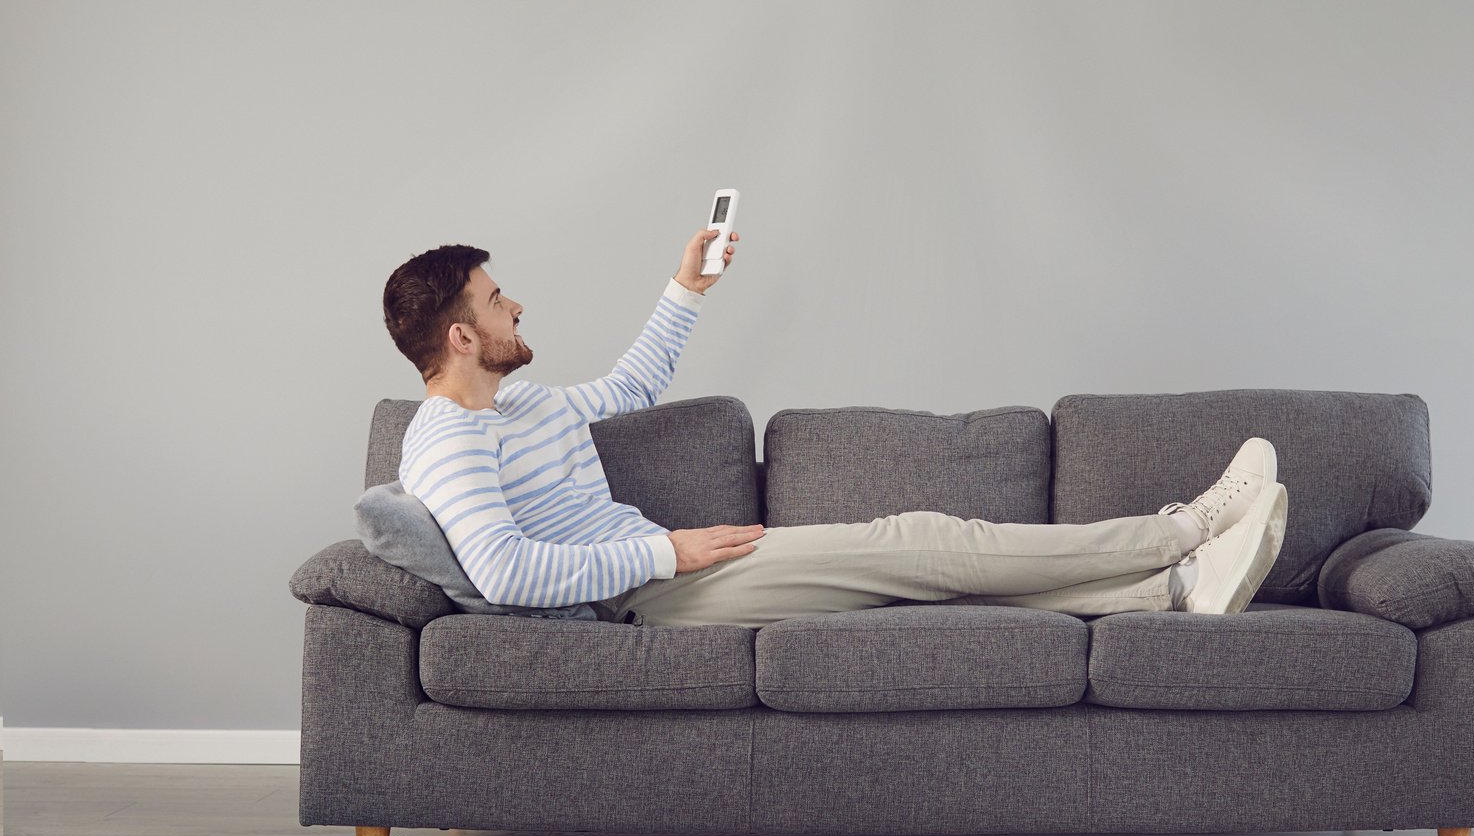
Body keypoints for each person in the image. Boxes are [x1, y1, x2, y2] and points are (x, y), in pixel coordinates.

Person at [380, 233, 1288, 629]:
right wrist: (668, 555)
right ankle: (1186, 527)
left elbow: (632, 383)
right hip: (645, 596)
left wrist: (687, 287)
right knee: (922, 542)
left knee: (913, 583)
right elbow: (501, 571)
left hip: (665, 569)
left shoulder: (522, 405)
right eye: (498, 301)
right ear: (462, 336)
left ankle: (1169, 593)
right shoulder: (451, 440)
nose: (516, 305)